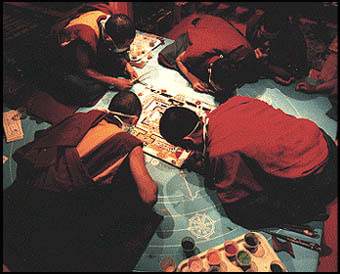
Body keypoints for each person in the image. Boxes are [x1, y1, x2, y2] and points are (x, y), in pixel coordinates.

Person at [3, 91, 161, 271]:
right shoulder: (128, 141)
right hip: (56, 205)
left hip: (29, 180)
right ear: (133, 120)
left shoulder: (82, 117)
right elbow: (148, 196)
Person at [159, 95, 337, 229]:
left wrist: (209, 171)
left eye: (186, 147)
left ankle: (308, 208)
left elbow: (234, 199)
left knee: (242, 213)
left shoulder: (221, 152)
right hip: (320, 138)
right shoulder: (232, 103)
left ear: (188, 142)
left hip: (322, 175)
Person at [45, 3, 139, 106]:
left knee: (124, 58)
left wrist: (127, 65)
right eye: (125, 45)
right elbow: (84, 69)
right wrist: (114, 82)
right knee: (92, 90)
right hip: (66, 62)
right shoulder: (84, 37)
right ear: (109, 40)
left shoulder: (113, 19)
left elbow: (117, 52)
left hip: (96, 51)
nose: (127, 48)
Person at [158, 14, 266, 102]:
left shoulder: (243, 52)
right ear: (209, 70)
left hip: (221, 29)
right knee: (164, 57)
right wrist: (192, 79)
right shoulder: (197, 52)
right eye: (214, 86)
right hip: (203, 26)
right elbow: (179, 59)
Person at [246, 9, 308, 86]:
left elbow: (292, 73)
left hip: (281, 62)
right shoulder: (253, 23)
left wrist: (267, 65)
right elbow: (247, 49)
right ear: (259, 26)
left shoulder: (295, 40)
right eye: (263, 36)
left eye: (272, 39)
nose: (266, 43)